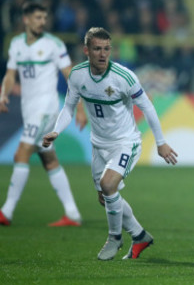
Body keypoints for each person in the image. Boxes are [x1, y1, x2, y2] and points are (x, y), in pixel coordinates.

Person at [41, 27, 179, 260]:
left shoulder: (124, 77)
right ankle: (139, 234)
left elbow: (147, 107)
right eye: (97, 49)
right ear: (87, 51)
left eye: (107, 49)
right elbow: (69, 107)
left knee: (108, 184)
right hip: (99, 144)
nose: (103, 54)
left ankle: (114, 237)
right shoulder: (77, 75)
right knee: (105, 197)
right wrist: (56, 130)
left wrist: (161, 142)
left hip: (126, 142)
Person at [0, 1, 87, 227]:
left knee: (21, 154)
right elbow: (10, 75)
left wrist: (79, 107)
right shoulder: (16, 44)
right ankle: (72, 213)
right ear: (26, 19)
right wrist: (4, 93)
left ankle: (6, 211)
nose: (42, 22)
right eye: (38, 18)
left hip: (46, 108)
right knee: (49, 159)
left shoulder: (53, 44)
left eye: (44, 18)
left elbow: (70, 75)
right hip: (30, 109)